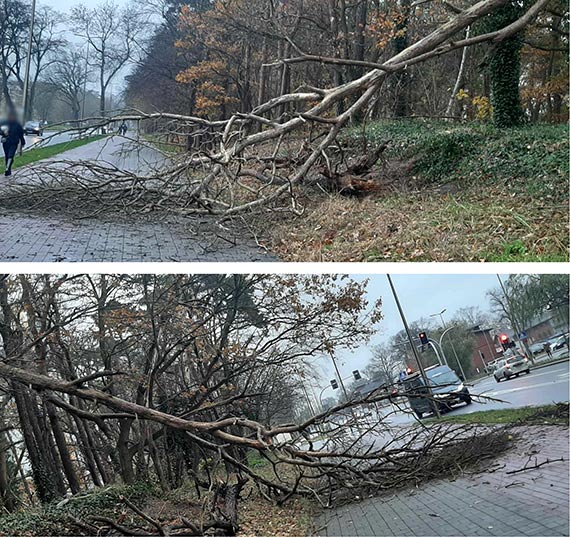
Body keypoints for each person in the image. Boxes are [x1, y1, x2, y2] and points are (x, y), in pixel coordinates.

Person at [0, 111, 25, 177]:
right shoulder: (5, 123)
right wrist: (3, 133)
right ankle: (8, 169)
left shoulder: (17, 125)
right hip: (6, 142)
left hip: (14, 142)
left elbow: (21, 134)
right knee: (7, 156)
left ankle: (7, 168)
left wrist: (22, 142)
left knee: (10, 155)